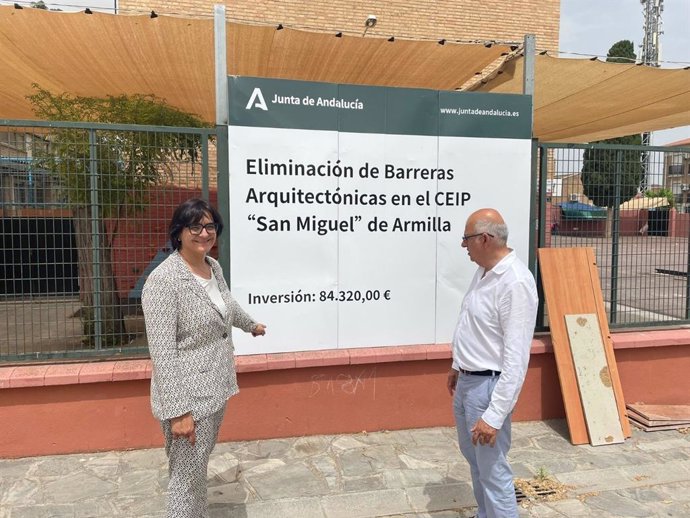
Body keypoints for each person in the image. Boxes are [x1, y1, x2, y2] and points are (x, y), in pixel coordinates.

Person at [142, 198, 266, 518]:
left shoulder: (212, 267)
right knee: (186, 479)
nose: (203, 233)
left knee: (196, 472)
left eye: (209, 226)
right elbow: (163, 351)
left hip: (216, 387)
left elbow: (226, 303)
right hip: (188, 398)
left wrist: (250, 324)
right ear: (179, 233)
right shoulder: (163, 281)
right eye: (194, 226)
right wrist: (178, 411)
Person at [447, 208, 538, 518]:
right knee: (476, 462)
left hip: (488, 388)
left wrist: (494, 415)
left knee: (493, 470)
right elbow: (475, 326)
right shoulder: (485, 271)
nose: (463, 247)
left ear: (484, 239)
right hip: (469, 382)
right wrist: (458, 365)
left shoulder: (514, 283)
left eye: (466, 239)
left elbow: (516, 359)